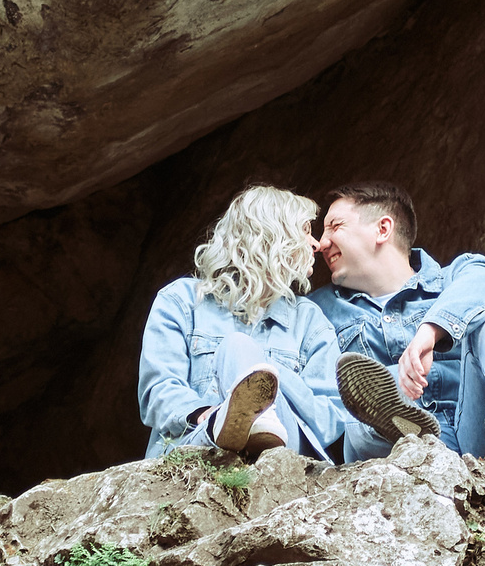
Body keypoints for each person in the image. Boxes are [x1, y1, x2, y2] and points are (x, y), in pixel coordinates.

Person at [308, 181, 485, 461]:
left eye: (335, 226)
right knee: (361, 403)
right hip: (388, 449)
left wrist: (431, 331)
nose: (321, 243)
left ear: (383, 229)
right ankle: (397, 420)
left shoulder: (456, 276)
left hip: (478, 430)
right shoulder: (318, 310)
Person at [139, 186, 349, 462]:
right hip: (200, 443)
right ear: (270, 235)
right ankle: (230, 429)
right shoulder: (180, 301)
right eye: (305, 231)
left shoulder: (310, 320)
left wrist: (269, 375)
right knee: (236, 347)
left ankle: (263, 424)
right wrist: (213, 415)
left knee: (241, 349)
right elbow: (158, 392)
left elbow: (330, 420)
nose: (317, 243)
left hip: (283, 455)